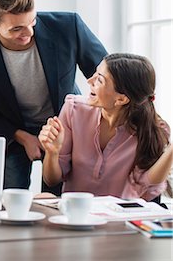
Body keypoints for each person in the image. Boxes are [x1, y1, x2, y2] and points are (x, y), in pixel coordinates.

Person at [0, 0, 107, 193]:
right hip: (14, 131)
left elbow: (107, 75)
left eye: (32, 21)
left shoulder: (68, 27)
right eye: (17, 29)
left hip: (64, 126)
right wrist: (21, 136)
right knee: (10, 199)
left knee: (59, 199)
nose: (29, 33)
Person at [39, 53, 172, 201]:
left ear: (121, 99)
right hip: (75, 213)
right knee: (42, 197)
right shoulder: (73, 110)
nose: (90, 81)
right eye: (95, 74)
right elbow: (51, 180)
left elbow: (146, 188)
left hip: (119, 218)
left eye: (100, 80)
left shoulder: (155, 129)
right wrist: (53, 152)